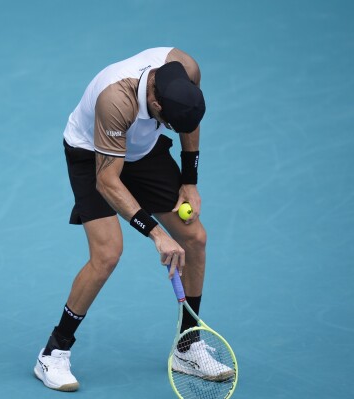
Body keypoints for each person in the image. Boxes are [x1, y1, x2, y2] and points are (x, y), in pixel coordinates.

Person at [33, 47, 229, 392]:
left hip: (143, 150)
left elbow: (189, 119)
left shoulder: (185, 69)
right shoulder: (116, 99)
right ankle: (54, 351)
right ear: (155, 106)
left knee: (194, 238)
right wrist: (155, 233)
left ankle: (187, 347)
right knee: (107, 253)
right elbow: (108, 181)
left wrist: (189, 180)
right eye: (167, 121)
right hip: (93, 154)